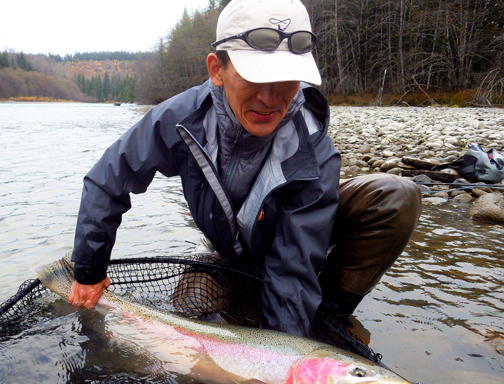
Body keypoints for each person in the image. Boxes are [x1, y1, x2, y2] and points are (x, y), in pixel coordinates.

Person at [68, 0, 422, 338]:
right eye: (256, 77)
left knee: (395, 197)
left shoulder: (313, 147)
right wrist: (88, 271)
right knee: (187, 331)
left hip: (292, 239)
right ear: (217, 70)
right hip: (227, 253)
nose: (269, 98)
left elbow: (293, 265)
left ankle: (328, 320)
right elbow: (108, 179)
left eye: (285, 78)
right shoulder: (181, 119)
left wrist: (287, 356)